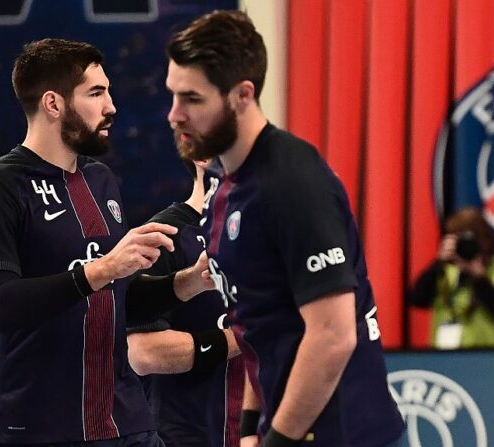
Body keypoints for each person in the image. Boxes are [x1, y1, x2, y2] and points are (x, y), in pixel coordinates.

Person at [165, 11, 405, 447]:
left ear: (242, 94)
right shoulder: (220, 185)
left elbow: (333, 336)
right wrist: (250, 428)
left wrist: (279, 439)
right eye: (173, 96)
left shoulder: (293, 183)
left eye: (192, 99)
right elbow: (256, 320)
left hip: (347, 434)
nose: (174, 115)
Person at [0, 38, 211, 446]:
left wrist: (187, 282)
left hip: (126, 424)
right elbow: (1, 304)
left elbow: (115, 299)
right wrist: (104, 268)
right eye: (96, 93)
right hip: (32, 429)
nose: (111, 106)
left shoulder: (101, 180)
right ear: (53, 104)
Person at [127, 159, 244, 447]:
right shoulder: (163, 236)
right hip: (184, 436)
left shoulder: (260, 234)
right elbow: (142, 353)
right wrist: (243, 337)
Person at [410, 207, 494, 349]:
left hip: (490, 358)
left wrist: (480, 278)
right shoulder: (444, 271)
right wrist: (438, 263)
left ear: (484, 239)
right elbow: (417, 299)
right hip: (443, 359)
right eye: (458, 239)